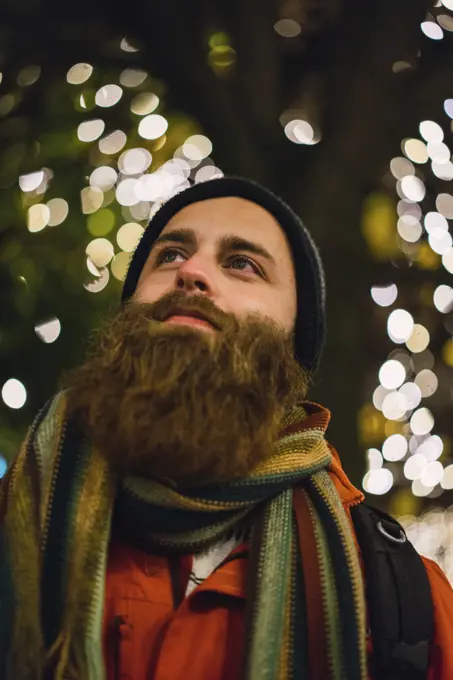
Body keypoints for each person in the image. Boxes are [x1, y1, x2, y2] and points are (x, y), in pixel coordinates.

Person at [1, 176, 453, 680]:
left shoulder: (401, 596)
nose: (191, 272)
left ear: (294, 340)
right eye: (169, 255)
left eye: (242, 264)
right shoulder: (15, 511)